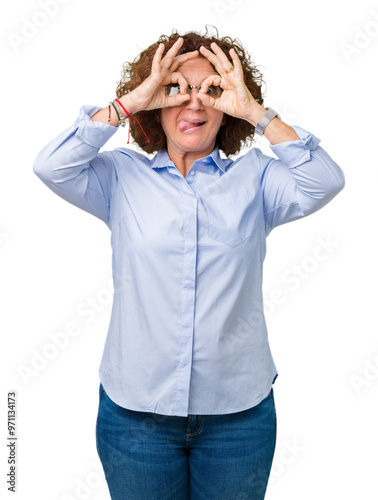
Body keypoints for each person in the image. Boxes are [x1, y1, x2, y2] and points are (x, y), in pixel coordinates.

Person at [33, 28, 345, 500]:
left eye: (213, 90)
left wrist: (258, 115)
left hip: (237, 418)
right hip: (136, 417)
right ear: (156, 101)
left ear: (229, 105)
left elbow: (325, 181)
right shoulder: (119, 176)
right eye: (176, 88)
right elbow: (50, 166)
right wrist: (129, 103)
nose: (194, 104)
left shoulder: (258, 179)